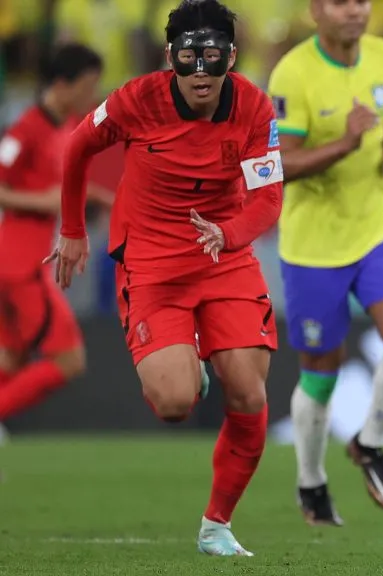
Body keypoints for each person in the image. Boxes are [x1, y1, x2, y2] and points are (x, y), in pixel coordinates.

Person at [48, 0, 284, 557]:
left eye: (212, 56)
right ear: (169, 56)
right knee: (175, 403)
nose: (199, 72)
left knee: (249, 392)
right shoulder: (136, 99)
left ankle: (216, 525)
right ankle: (189, 362)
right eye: (187, 57)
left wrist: (228, 234)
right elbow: (78, 146)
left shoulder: (254, 107)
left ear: (231, 56)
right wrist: (73, 229)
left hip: (223, 256)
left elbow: (268, 198)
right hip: (153, 262)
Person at [267, 0, 383, 526]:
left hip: (376, 228)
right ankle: (311, 482)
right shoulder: (293, 73)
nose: (354, 11)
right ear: (316, 10)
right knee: (321, 373)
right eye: (340, 2)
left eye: (361, 0)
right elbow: (278, 165)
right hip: (313, 244)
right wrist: (346, 143)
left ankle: (369, 443)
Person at [0, 44, 111, 436]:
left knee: (10, 359)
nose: (91, 95)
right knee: (69, 360)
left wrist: (109, 199)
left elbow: (62, 187)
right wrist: (43, 201)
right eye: (87, 86)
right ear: (62, 84)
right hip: (21, 264)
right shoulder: (24, 130)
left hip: (22, 262)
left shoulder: (64, 128)